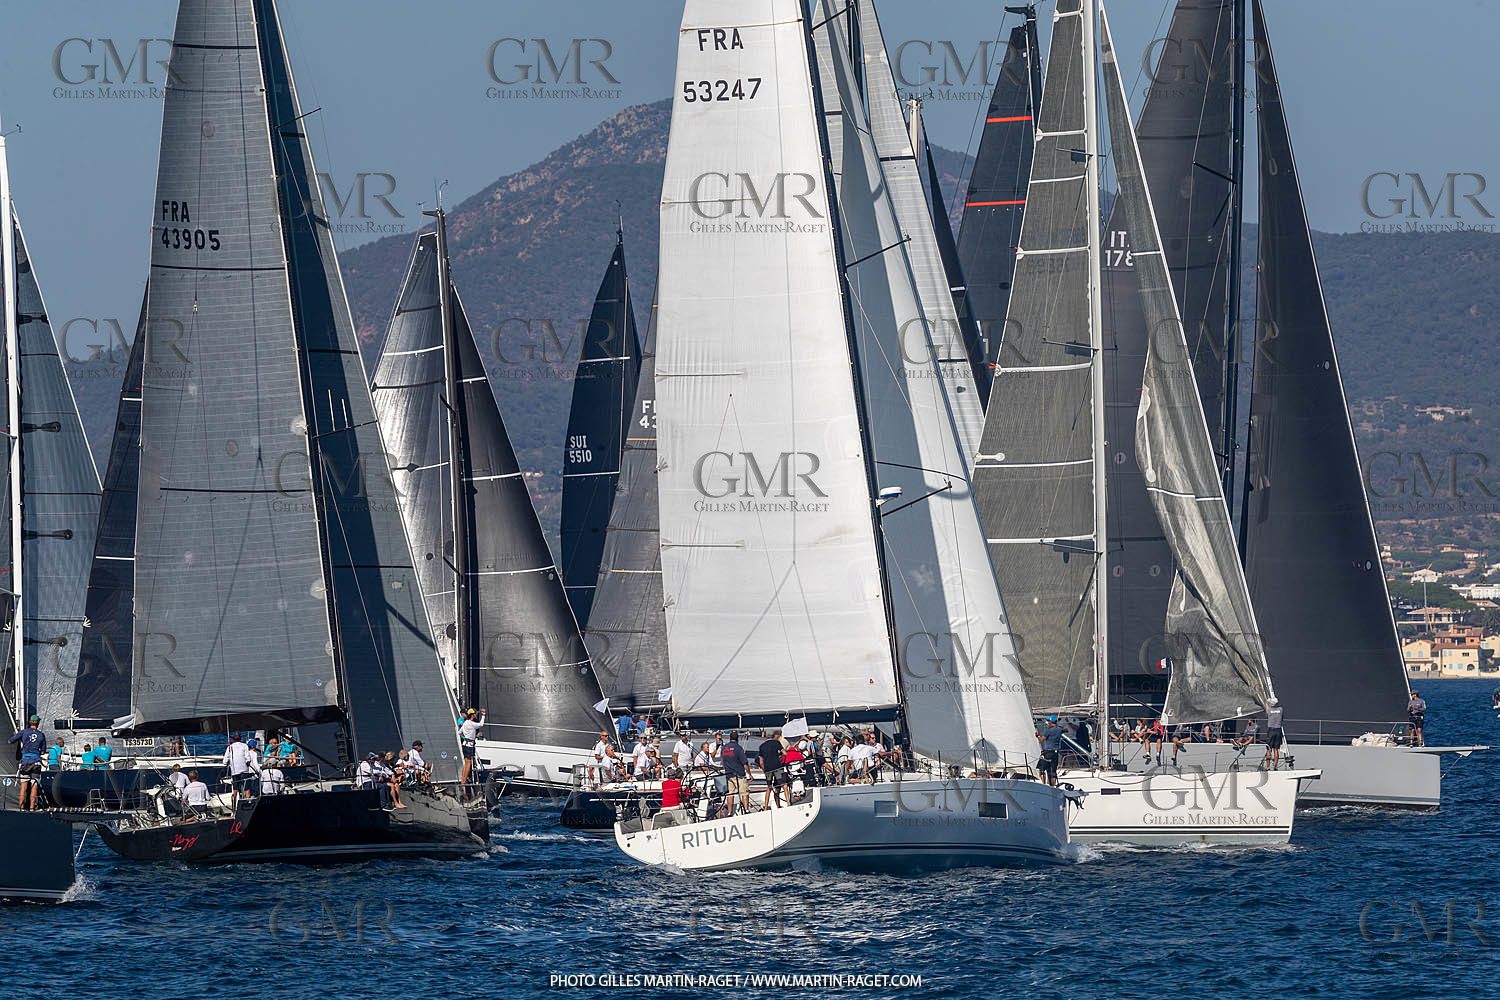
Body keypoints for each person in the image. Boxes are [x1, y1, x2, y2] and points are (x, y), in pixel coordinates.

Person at [7, 714, 46, 811]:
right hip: (36, 762)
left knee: (24, 786)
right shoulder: (41, 735)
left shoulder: (24, 732)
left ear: (29, 722)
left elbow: (10, 741)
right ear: (38, 723)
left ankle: (22, 808)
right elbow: (43, 752)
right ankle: (32, 808)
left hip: (25, 762)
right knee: (34, 786)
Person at [721, 731, 750, 815]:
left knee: (730, 794)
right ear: (737, 739)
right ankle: (746, 810)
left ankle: (730, 812)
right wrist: (750, 774)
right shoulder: (738, 748)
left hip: (729, 775)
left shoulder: (724, 748)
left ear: (730, 738)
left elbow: (722, 759)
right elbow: (745, 763)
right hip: (739, 775)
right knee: (744, 792)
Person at [758, 730, 786, 808]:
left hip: (768, 769)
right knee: (783, 785)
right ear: (773, 735)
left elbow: (761, 762)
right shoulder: (776, 742)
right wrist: (781, 759)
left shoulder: (762, 746)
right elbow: (785, 753)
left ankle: (766, 807)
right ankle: (787, 804)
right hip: (777, 767)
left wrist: (764, 770)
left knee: (769, 788)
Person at [459, 708, 485, 785]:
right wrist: (483, 715)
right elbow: (481, 724)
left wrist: (466, 736)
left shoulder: (465, 723)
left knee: (466, 762)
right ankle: (464, 783)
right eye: (475, 714)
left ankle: (462, 780)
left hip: (464, 744)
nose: (476, 715)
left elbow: (459, 733)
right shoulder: (472, 724)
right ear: (472, 715)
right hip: (470, 746)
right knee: (469, 763)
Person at [1038, 715, 1063, 786]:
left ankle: (1044, 784)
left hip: (1048, 752)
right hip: (1055, 753)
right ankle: (1053, 786)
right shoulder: (1059, 730)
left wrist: (1037, 736)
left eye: (1048, 721)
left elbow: (1042, 739)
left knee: (1042, 768)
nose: (1047, 722)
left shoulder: (1048, 730)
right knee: (1053, 771)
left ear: (1050, 722)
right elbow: (1063, 730)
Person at [1264, 697, 1286, 769]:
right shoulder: (1281, 709)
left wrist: (1267, 702)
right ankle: (1275, 766)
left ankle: (1268, 766)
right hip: (1278, 730)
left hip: (1271, 730)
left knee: (1268, 748)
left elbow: (1266, 716)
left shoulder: (1269, 710)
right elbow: (1282, 718)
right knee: (1276, 749)